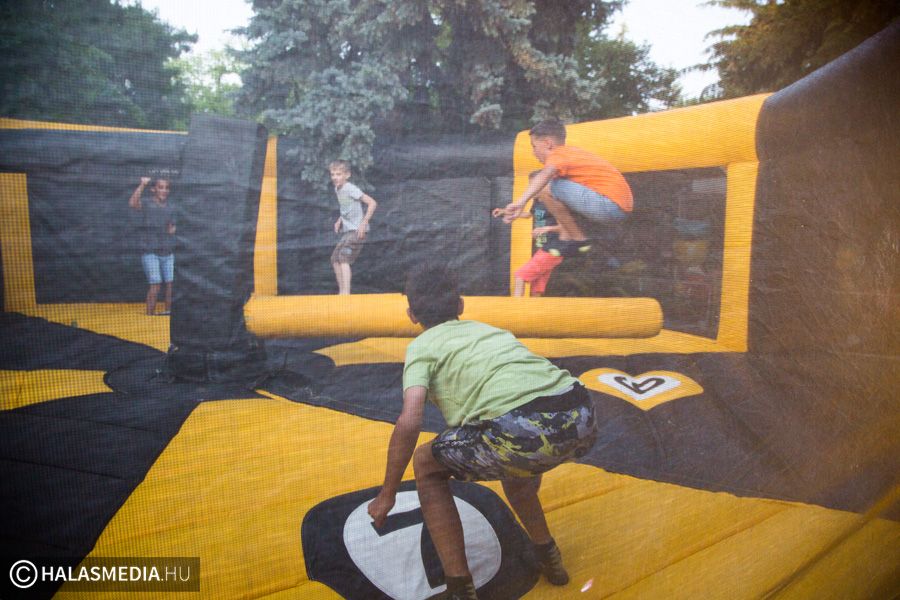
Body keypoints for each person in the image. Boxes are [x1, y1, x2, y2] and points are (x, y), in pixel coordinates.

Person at [368, 263, 597, 600]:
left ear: (412, 315)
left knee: (426, 464)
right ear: (461, 305)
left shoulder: (421, 347)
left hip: (521, 429)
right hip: (581, 412)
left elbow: (410, 420)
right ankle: (548, 554)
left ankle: (460, 587)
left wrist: (387, 494)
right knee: (514, 469)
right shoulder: (491, 332)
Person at [503, 118, 633, 256]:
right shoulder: (573, 154)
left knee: (545, 187)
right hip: (617, 208)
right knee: (553, 190)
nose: (533, 152)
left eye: (534, 146)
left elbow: (544, 176)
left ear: (547, 143)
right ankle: (573, 238)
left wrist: (521, 202)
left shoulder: (559, 154)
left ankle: (577, 239)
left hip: (609, 205)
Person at [494, 172, 588, 297]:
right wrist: (504, 212)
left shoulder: (553, 202)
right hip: (544, 246)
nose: (532, 188)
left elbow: (566, 226)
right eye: (531, 185)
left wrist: (547, 228)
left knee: (520, 275)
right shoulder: (537, 201)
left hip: (553, 248)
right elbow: (528, 215)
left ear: (546, 185)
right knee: (537, 285)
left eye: (535, 185)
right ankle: (534, 308)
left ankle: (516, 307)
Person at [328, 159, 377, 295]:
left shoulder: (350, 188)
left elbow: (372, 203)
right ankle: (342, 292)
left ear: (347, 175)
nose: (335, 177)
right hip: (348, 231)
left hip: (357, 231)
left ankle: (346, 294)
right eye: (332, 174)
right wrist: (339, 220)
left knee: (343, 258)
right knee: (334, 259)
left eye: (338, 174)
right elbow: (347, 207)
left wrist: (364, 223)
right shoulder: (337, 189)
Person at [129, 176, 175, 315]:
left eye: (167, 188)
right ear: (153, 189)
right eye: (161, 187)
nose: (164, 190)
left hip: (167, 252)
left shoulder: (170, 207)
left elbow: (171, 227)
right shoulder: (147, 203)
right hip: (150, 252)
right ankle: (149, 315)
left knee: (171, 284)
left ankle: (168, 312)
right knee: (155, 284)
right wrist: (142, 184)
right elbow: (132, 203)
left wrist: (173, 230)